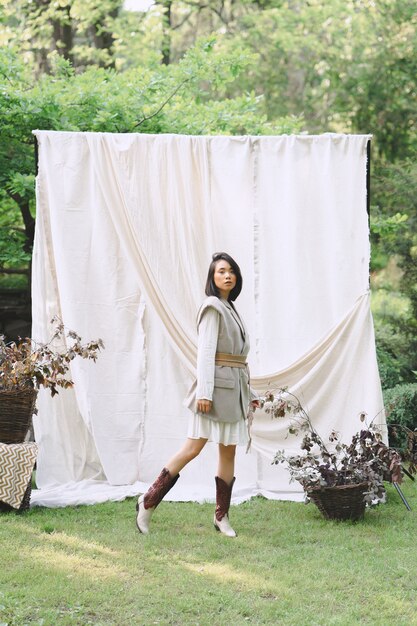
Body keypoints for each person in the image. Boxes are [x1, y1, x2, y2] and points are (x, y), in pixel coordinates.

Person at [135, 252, 258, 538]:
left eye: (231, 271)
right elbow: (205, 352)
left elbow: (237, 359)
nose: (227, 275)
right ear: (212, 279)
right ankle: (148, 501)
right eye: (221, 271)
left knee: (229, 452)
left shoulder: (230, 308)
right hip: (213, 393)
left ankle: (221, 517)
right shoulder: (212, 307)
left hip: (234, 392)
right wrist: (204, 392)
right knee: (192, 448)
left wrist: (249, 392)